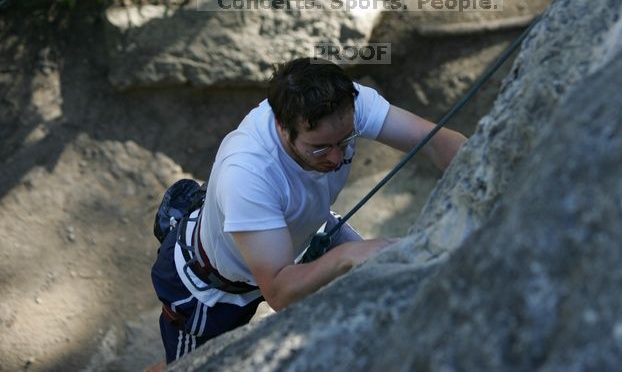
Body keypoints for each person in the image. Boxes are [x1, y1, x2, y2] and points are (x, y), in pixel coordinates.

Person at [150, 57, 466, 365]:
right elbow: (280, 291)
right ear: (281, 126)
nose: (336, 157)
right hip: (214, 291)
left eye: (345, 140)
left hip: (299, 237)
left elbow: (439, 143)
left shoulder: (344, 106)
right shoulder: (248, 174)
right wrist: (348, 256)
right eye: (319, 147)